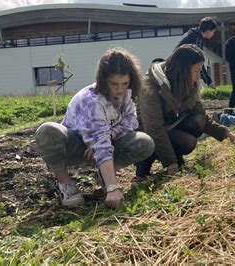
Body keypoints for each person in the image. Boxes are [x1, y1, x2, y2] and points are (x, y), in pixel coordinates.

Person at [35, 48, 155, 208]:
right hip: (75, 148)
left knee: (144, 142)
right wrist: (113, 188)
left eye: (124, 83)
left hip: (102, 145)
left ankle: (104, 174)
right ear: (103, 80)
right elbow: (101, 145)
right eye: (114, 84)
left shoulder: (125, 94)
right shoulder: (91, 101)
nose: (120, 89)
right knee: (47, 130)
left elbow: (131, 121)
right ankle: (65, 184)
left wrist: (111, 134)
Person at [137, 44, 235, 177]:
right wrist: (171, 162)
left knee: (198, 122)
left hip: (169, 126)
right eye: (196, 71)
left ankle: (175, 155)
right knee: (187, 142)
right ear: (183, 70)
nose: (198, 76)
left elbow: (201, 116)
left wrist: (226, 133)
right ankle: (144, 164)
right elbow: (154, 128)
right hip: (147, 133)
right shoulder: (151, 85)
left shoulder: (187, 83)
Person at [176, 17, 218, 89]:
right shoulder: (197, 40)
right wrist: (209, 82)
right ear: (208, 31)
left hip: (178, 69)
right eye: (213, 31)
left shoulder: (193, 35)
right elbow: (199, 65)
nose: (213, 34)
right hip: (181, 72)